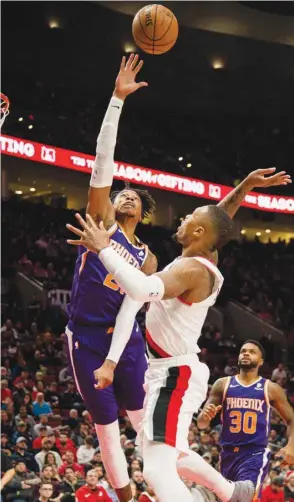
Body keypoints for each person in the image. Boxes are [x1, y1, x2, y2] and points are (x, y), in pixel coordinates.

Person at [66, 167, 291, 502]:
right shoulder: (203, 252)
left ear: (198, 231)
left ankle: (224, 494)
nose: (183, 217)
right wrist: (244, 186)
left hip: (175, 375)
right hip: (171, 371)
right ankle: (231, 492)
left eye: (190, 216)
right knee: (169, 453)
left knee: (155, 469)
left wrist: (103, 249)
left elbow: (141, 288)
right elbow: (218, 219)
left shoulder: (189, 270)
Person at [65, 54, 156, 502]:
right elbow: (103, 161)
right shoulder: (99, 220)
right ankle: (125, 497)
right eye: (121, 192)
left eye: (133, 196)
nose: (124, 196)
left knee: (145, 423)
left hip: (127, 339)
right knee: (106, 429)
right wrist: (117, 100)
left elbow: (132, 309)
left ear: (144, 213)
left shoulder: (149, 259)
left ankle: (170, 485)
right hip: (85, 337)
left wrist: (117, 358)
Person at [197, 340, 294, 500]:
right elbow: (201, 424)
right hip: (227, 454)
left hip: (254, 454)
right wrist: (205, 416)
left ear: (261, 361)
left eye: (252, 351)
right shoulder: (222, 384)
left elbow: (291, 419)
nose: (246, 353)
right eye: (243, 351)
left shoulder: (270, 388)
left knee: (246, 494)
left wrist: (291, 446)